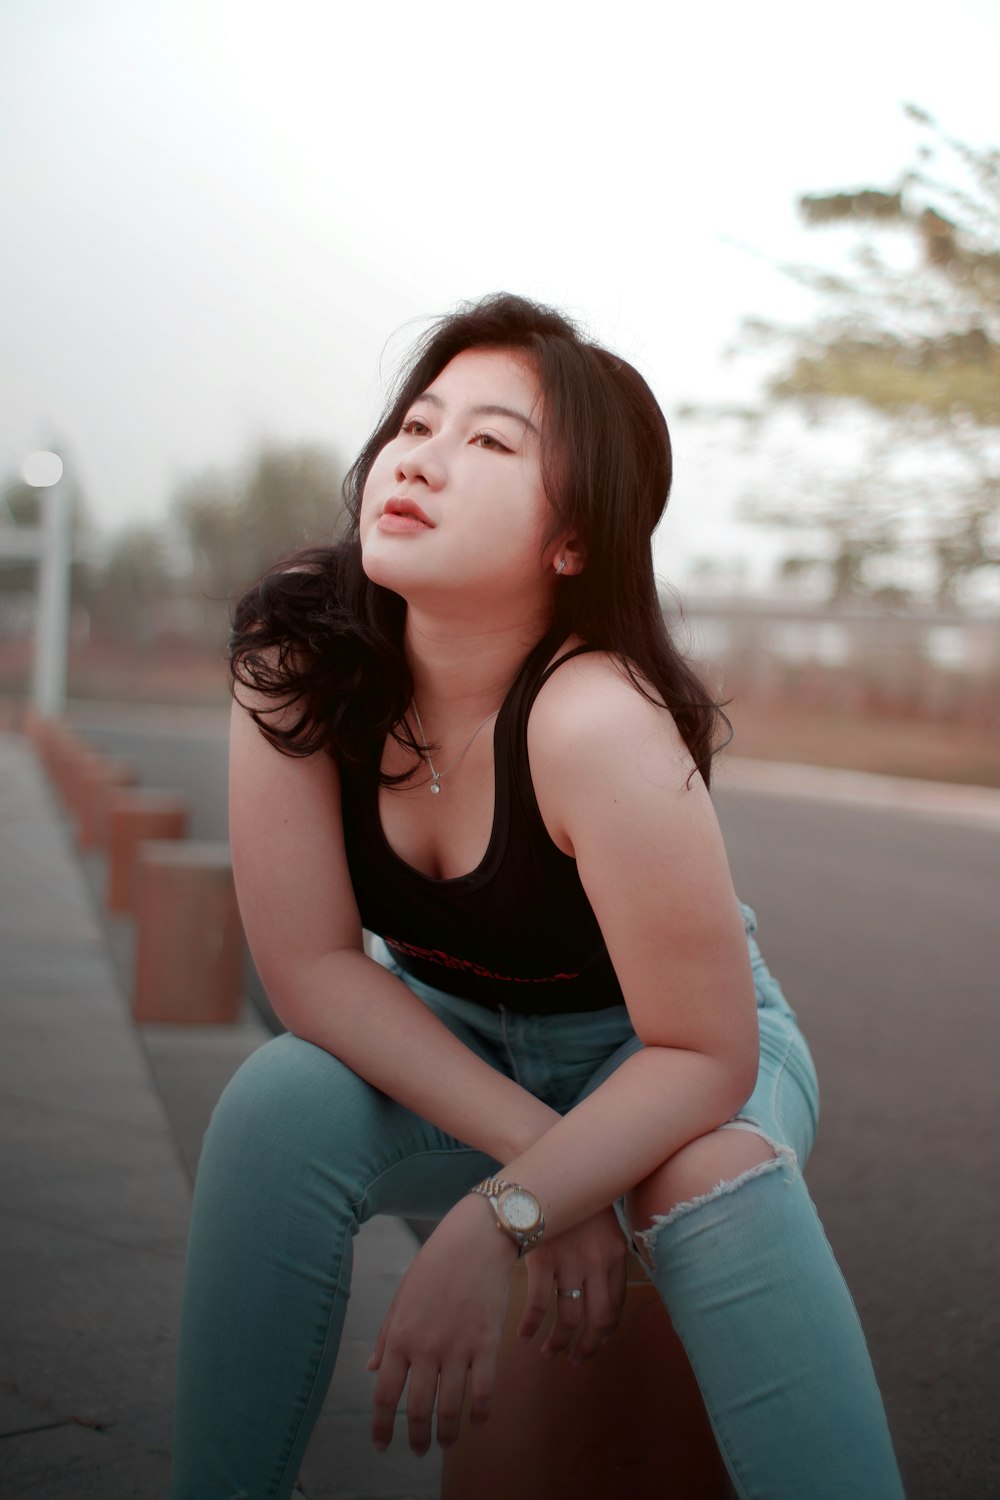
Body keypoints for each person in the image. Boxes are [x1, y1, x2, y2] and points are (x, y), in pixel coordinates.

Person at [169, 293, 904, 1498]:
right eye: (417, 423)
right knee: (275, 1106)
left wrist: (491, 1218)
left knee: (702, 1177)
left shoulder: (596, 718)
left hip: (671, 1048)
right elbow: (311, 970)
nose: (421, 457)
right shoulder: (298, 651)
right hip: (459, 1041)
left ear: (572, 541)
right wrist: (536, 1176)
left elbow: (702, 1052)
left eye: (491, 442)